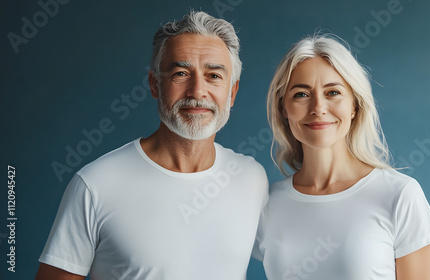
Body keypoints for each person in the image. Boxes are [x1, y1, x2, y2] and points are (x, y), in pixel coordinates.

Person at [35, 11, 268, 279]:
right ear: (155, 84)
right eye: (181, 73)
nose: (197, 91)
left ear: (232, 92)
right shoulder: (95, 184)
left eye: (214, 76)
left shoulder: (251, 178)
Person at [253, 34, 430, 279]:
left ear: (354, 105)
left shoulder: (400, 195)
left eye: (333, 92)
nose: (318, 107)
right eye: (301, 94)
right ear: (283, 109)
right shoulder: (268, 204)